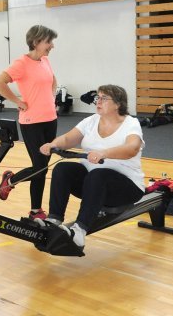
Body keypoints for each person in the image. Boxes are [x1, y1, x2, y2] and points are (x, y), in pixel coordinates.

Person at [38, 85, 145, 250]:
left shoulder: (131, 123)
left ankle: (80, 231)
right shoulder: (91, 120)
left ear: (118, 104)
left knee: (98, 175)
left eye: (104, 98)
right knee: (62, 169)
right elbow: (68, 139)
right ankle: (54, 220)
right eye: (98, 98)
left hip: (126, 188)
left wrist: (104, 153)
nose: (98, 101)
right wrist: (52, 144)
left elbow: (132, 148)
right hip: (92, 185)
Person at [0, 25, 58, 220]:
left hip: (50, 120)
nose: (52, 46)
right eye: (49, 41)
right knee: (39, 166)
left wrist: (51, 99)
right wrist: (18, 102)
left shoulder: (45, 60)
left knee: (43, 167)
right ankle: (10, 180)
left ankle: (35, 211)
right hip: (31, 122)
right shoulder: (21, 63)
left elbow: (53, 81)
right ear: (37, 42)